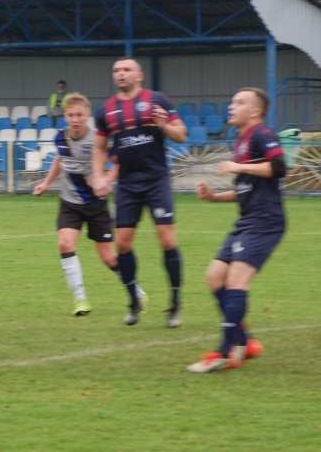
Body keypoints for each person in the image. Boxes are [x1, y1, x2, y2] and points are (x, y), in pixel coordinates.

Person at [187, 87, 285, 373]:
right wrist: (214, 197)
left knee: (236, 281)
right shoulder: (242, 140)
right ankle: (245, 340)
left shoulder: (262, 135)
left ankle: (226, 351)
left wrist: (234, 166)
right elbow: (244, 190)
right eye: (231, 101)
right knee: (214, 276)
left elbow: (279, 167)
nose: (232, 106)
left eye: (239, 102)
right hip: (248, 220)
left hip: (265, 221)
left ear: (255, 111)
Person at [91, 58, 187, 327]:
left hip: (156, 180)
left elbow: (181, 134)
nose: (120, 74)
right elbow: (99, 147)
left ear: (140, 75)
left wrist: (164, 126)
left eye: (126, 70)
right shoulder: (106, 110)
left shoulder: (158, 101)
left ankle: (175, 304)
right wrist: (99, 175)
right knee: (122, 244)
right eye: (116, 70)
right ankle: (133, 299)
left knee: (167, 241)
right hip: (128, 185)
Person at [34, 93, 146, 316]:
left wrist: (106, 180)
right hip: (69, 202)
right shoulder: (60, 138)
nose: (75, 119)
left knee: (108, 257)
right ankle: (80, 300)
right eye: (70, 115)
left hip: (96, 204)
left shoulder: (97, 139)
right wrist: (46, 183)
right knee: (65, 244)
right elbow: (60, 159)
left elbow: (118, 163)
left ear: (87, 116)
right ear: (65, 116)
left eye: (79, 115)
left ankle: (135, 291)